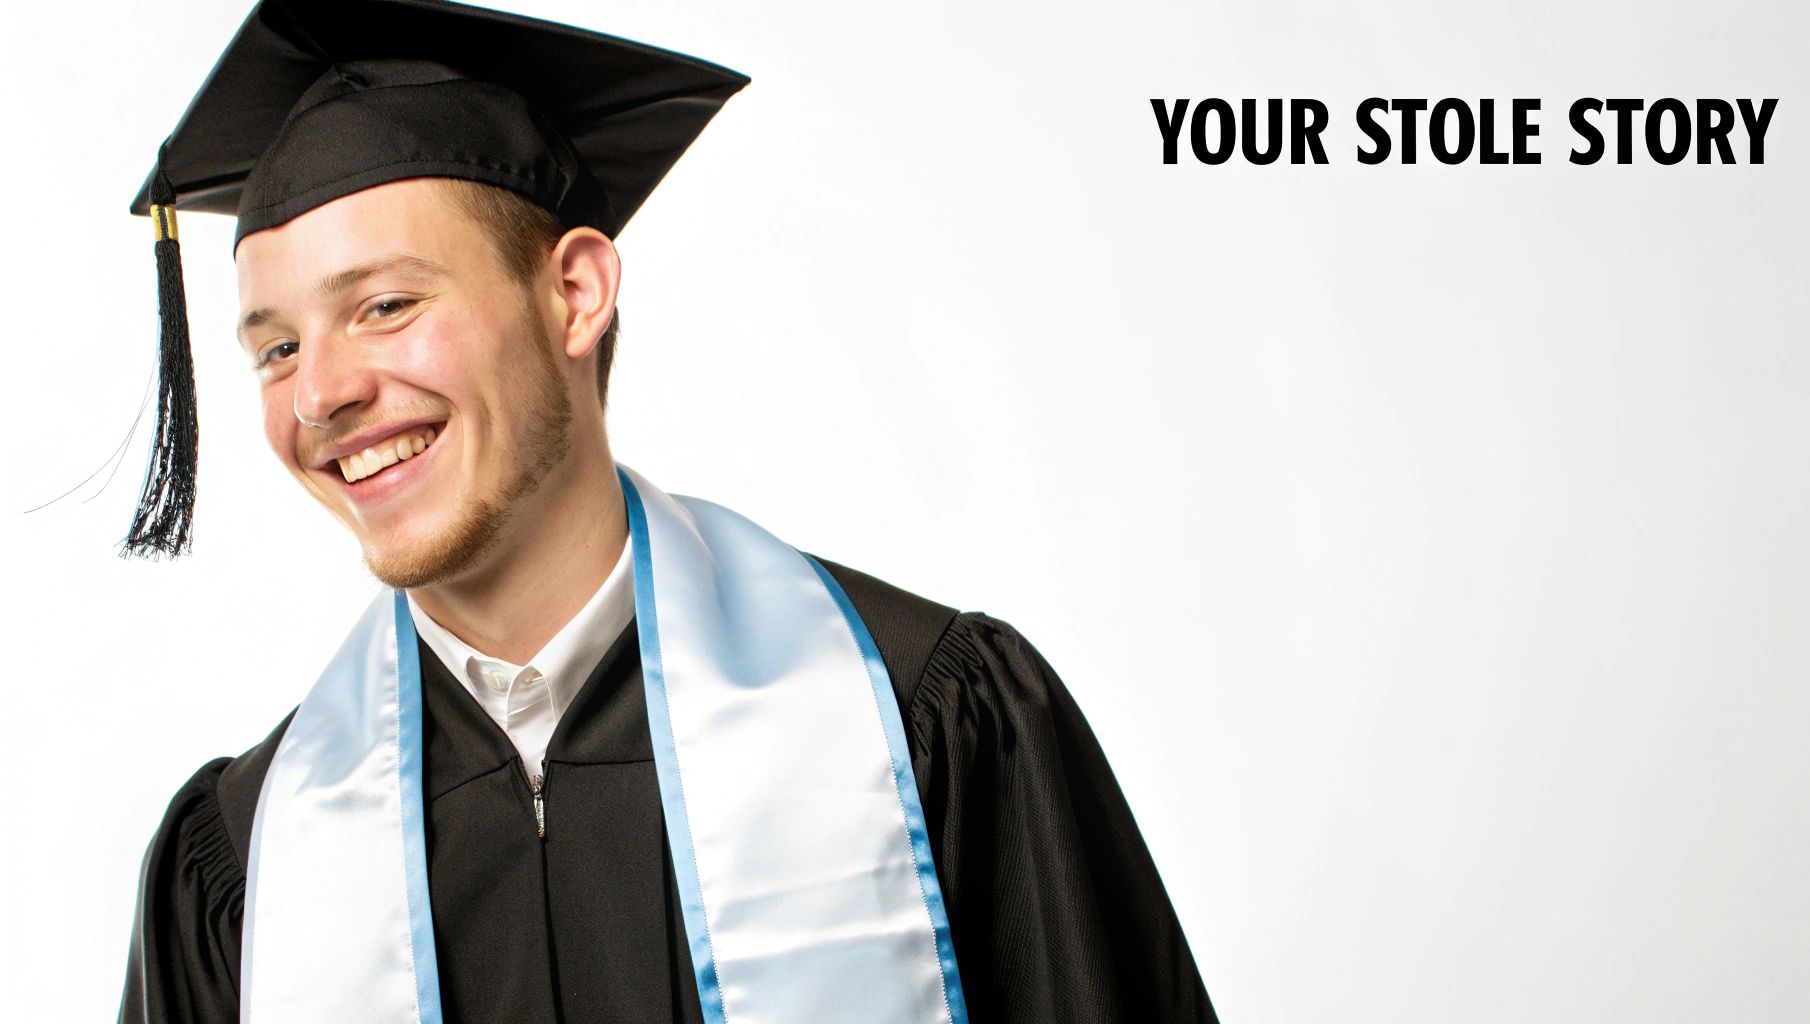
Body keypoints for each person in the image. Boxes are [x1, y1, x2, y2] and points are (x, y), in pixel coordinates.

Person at [117, 1, 1218, 1021]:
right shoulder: (254, 856)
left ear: (576, 294)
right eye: (275, 348)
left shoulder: (921, 721)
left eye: (387, 304)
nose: (320, 392)